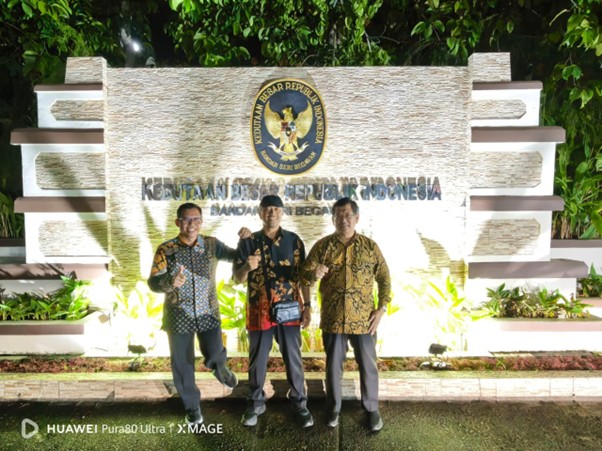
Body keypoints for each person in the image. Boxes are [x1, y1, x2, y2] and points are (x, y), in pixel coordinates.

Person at [148, 202, 249, 425]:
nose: (192, 224)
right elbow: (153, 283)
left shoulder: (212, 245)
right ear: (178, 222)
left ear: (201, 222)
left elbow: (236, 257)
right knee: (182, 364)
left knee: (214, 352)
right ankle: (192, 407)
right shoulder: (166, 250)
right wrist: (169, 282)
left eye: (196, 219)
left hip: (208, 312)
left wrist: (245, 240)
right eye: (186, 219)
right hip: (179, 315)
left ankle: (220, 369)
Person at [302, 197, 391, 432]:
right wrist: (313, 274)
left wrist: (381, 309)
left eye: (348, 215)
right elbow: (303, 276)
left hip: (364, 321)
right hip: (333, 319)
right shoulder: (323, 246)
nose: (344, 220)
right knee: (333, 367)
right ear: (333, 219)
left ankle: (371, 409)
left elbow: (384, 279)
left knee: (368, 365)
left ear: (356, 218)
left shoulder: (370, 247)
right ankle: (333, 408)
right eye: (339, 216)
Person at [233, 194, 314, 428]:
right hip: (259, 308)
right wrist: (247, 267)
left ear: (282, 212)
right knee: (257, 360)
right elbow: (237, 278)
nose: (272, 213)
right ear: (260, 213)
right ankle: (255, 403)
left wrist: (308, 306)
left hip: (289, 309)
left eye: (276, 209)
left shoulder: (294, 241)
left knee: (293, 358)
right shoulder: (249, 241)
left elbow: (304, 277)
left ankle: (299, 403)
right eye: (267, 209)